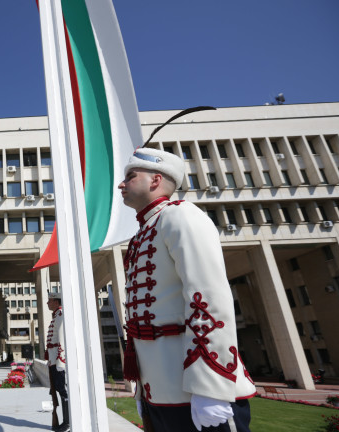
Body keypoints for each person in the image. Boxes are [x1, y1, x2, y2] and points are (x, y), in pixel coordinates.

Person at [119, 147, 256, 432]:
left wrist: (211, 386)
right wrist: (144, 390)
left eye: (130, 176)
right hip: (160, 392)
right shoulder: (143, 232)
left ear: (155, 180)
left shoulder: (180, 216)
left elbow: (208, 298)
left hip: (197, 391)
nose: (121, 184)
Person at [45, 291, 69, 432]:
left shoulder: (60, 315)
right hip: (53, 360)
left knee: (63, 391)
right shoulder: (56, 316)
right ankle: (66, 421)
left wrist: (60, 361)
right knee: (59, 390)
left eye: (49, 300)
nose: (48, 303)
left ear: (56, 301)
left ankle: (67, 422)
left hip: (58, 361)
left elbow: (61, 339)